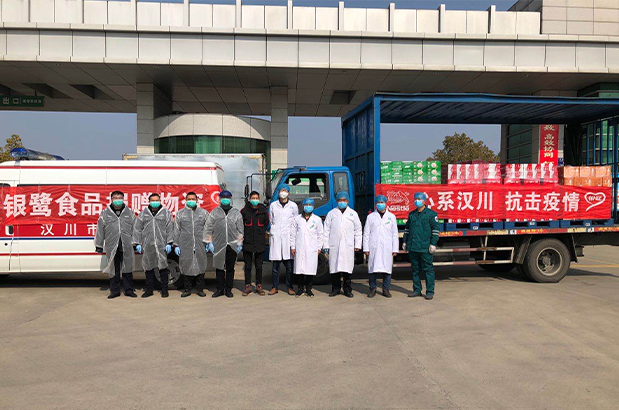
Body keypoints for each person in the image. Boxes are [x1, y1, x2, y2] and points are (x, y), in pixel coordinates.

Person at [95, 191, 137, 299]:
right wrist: (99, 244)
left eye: (120, 197)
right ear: (111, 199)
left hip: (126, 245)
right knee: (114, 269)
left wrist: (136, 242)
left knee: (127, 268)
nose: (117, 199)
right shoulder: (105, 213)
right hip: (112, 246)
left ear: (123, 199)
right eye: (115, 197)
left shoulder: (129, 212)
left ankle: (129, 290)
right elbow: (100, 229)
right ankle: (115, 291)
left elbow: (135, 228)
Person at [132, 193, 175, 298]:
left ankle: (164, 290)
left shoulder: (166, 213)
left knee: (163, 268)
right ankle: (149, 290)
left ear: (160, 201)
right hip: (148, 245)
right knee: (148, 268)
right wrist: (137, 243)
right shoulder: (143, 214)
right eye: (153, 200)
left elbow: (170, 228)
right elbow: (137, 228)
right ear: (149, 201)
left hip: (162, 245)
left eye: (157, 200)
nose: (155, 202)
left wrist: (169, 242)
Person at [203, 190, 243, 298]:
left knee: (230, 268)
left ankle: (228, 289)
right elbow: (208, 228)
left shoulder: (236, 212)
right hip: (218, 244)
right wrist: (209, 242)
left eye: (227, 198)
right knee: (219, 267)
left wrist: (239, 243)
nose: (225, 199)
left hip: (232, 245)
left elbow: (240, 229)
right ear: (219, 199)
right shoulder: (214, 212)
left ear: (230, 199)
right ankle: (220, 289)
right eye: (223, 197)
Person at [323, 191, 362, 298]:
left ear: (347, 201)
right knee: (334, 269)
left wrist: (357, 244)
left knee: (347, 270)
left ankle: (347, 290)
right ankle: (335, 289)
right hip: (334, 246)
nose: (342, 202)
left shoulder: (353, 214)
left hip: (347, 246)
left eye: (344, 200)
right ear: (336, 201)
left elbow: (358, 230)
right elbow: (326, 230)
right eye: (340, 200)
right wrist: (326, 245)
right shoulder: (331, 213)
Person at [403, 192, 440, 300]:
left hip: (425, 247)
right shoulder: (412, 214)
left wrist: (433, 243)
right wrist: (405, 242)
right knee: (415, 269)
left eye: (419, 199)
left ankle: (430, 291)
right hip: (413, 246)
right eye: (415, 199)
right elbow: (407, 229)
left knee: (428, 269)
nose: (417, 201)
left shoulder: (431, 214)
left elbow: (435, 230)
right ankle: (417, 290)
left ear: (424, 201)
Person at [363, 195, 399, 298]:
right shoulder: (370, 217)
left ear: (386, 204)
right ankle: (372, 289)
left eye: (382, 202)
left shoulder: (391, 217)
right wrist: (366, 248)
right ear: (375, 204)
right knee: (372, 269)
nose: (380, 204)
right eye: (378, 203)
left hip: (387, 247)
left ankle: (386, 289)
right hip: (373, 247)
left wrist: (395, 249)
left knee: (387, 269)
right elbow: (366, 233)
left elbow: (394, 234)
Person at [174, 192, 209, 298]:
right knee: (186, 266)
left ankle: (200, 289)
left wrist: (208, 242)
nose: (191, 201)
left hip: (200, 244)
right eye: (189, 199)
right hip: (185, 244)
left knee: (200, 266)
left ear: (197, 200)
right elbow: (176, 230)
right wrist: (176, 244)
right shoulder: (180, 214)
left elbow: (208, 228)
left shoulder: (203, 213)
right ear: (185, 200)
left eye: (193, 199)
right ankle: (187, 290)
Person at [268, 184, 298, 295]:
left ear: (288, 192)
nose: (283, 192)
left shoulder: (293, 206)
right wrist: (274, 230)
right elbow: (271, 220)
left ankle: (289, 287)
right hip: (276, 237)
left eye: (285, 190)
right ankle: (274, 287)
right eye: (281, 190)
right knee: (275, 266)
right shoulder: (273, 205)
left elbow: (295, 221)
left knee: (289, 266)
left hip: (288, 237)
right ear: (279, 192)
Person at [290, 198, 323, 298]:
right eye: (306, 205)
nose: (308, 207)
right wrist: (293, 247)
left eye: (310, 205)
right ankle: (300, 289)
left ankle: (309, 289)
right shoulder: (297, 219)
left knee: (310, 270)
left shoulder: (317, 219)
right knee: (299, 270)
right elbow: (293, 234)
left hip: (311, 248)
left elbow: (320, 235)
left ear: (313, 206)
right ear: (303, 206)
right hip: (299, 247)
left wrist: (319, 247)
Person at [240, 191, 269, 296]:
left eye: (256, 198)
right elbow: (240, 225)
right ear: (249, 199)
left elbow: (266, 223)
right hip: (247, 242)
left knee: (259, 266)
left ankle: (259, 286)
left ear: (259, 199)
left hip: (259, 242)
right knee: (247, 266)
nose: (255, 200)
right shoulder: (244, 211)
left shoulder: (263, 211)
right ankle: (248, 286)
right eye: (253, 198)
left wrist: (260, 233)